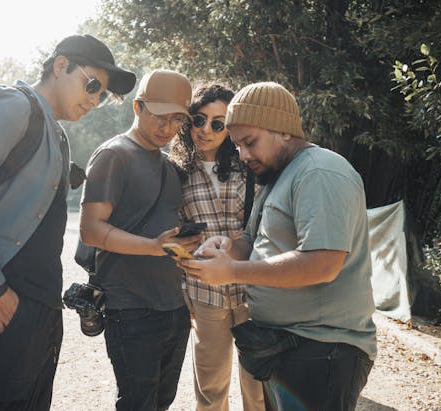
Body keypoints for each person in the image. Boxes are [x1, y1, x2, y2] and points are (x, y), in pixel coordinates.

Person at [0, 34, 136, 411]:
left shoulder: (54, 130)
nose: (94, 99)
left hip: (39, 307)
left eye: (102, 96)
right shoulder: (12, 107)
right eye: (92, 85)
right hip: (5, 302)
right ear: (60, 65)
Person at [180, 82, 377, 411]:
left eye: (250, 142)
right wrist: (227, 248)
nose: (242, 155)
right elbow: (252, 242)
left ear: (283, 131)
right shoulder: (278, 177)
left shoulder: (320, 172)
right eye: (237, 145)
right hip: (287, 347)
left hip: (322, 351)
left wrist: (233, 271)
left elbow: (322, 264)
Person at [79, 69, 201, 411]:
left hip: (174, 308)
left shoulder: (170, 167)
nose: (166, 127)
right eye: (158, 116)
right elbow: (91, 229)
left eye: (176, 119)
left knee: (162, 401)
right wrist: (151, 246)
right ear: (137, 107)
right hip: (130, 308)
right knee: (137, 404)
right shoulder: (112, 155)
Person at [169, 83, 264, 411]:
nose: (205, 130)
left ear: (230, 127)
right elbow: (175, 234)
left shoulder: (250, 167)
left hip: (253, 289)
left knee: (259, 386)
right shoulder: (176, 173)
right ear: (188, 120)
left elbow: (267, 226)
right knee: (210, 388)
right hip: (204, 290)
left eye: (218, 123)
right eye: (199, 119)